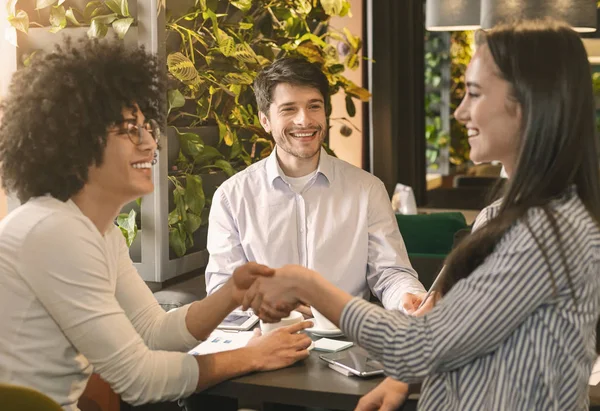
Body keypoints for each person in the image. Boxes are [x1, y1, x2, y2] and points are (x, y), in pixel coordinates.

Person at [237, 19, 600, 410]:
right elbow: (455, 334)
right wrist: (401, 382)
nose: (459, 113)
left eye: (474, 94)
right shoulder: (500, 213)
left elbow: (420, 344)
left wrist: (303, 282)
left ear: (528, 103)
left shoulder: (547, 232)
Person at [0, 38, 313, 410]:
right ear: (77, 140)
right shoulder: (54, 231)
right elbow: (139, 380)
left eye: (147, 126)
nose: (151, 142)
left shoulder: (98, 232)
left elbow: (154, 332)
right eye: (131, 129)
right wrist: (253, 355)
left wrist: (231, 293)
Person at [204, 57, 427, 314]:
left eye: (314, 106)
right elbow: (223, 291)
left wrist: (409, 298)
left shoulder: (368, 189)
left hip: (349, 340)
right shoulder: (232, 197)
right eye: (289, 109)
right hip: (265, 339)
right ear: (265, 120)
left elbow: (390, 274)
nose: (305, 120)